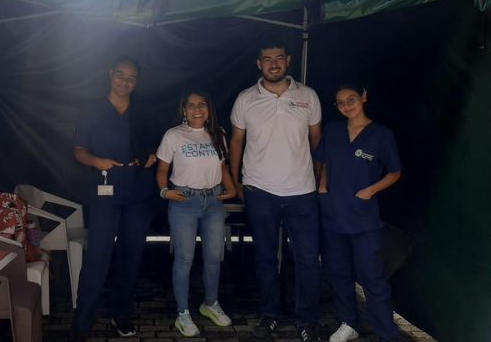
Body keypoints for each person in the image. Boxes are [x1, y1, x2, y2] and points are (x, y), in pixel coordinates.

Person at [229, 39, 323, 342]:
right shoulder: (245, 99)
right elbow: (236, 143)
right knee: (266, 257)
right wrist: (236, 182)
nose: (273, 63)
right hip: (260, 190)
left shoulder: (308, 96)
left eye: (278, 58)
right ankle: (270, 316)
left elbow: (316, 143)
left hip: (302, 191)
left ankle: (307, 320)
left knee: (308, 258)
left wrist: (319, 182)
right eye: (267, 59)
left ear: (288, 60)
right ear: (259, 64)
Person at [71, 56, 157, 340]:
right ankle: (82, 323)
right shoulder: (93, 111)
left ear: (137, 82)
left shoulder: (143, 111)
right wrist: (96, 161)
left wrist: (151, 158)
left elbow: (157, 148)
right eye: (121, 75)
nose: (125, 82)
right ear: (110, 74)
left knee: (131, 256)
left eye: (132, 78)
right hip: (105, 191)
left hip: (138, 191)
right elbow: (79, 150)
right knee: (97, 257)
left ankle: (121, 316)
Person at [316, 85, 402, 342]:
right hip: (333, 216)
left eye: (351, 99)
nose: (346, 106)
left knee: (372, 278)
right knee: (338, 274)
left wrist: (370, 191)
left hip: (363, 219)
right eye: (340, 102)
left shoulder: (381, 135)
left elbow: (394, 172)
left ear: (364, 97)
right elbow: (323, 161)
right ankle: (348, 323)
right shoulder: (333, 130)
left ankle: (387, 333)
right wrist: (322, 187)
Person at [155, 91, 237, 336]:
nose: (196, 109)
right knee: (184, 259)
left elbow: (222, 166)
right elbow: (162, 169)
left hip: (213, 201)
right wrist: (164, 191)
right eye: (191, 105)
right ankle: (183, 313)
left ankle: (210, 303)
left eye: (202, 104)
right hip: (184, 202)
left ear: (208, 108)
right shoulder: (173, 135)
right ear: (184, 110)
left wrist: (231, 186)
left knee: (214, 256)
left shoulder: (218, 133)